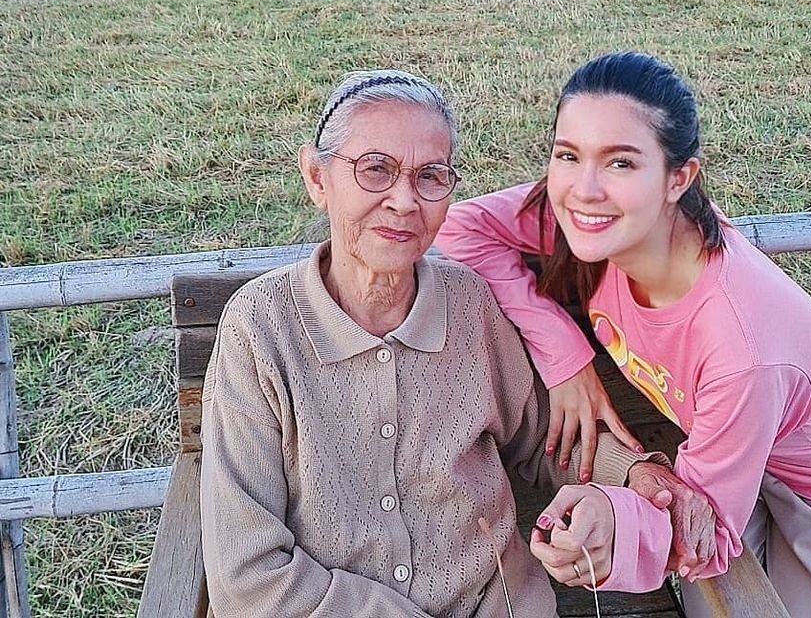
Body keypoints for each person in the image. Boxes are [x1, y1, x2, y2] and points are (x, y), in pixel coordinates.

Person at [435, 52, 811, 618]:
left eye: (621, 164)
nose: (584, 189)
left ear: (679, 178)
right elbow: (461, 226)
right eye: (568, 155)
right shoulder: (603, 227)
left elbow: (704, 535)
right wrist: (565, 357)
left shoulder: (739, 347)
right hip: (727, 450)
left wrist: (609, 526)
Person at [199, 68, 689, 618]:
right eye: (375, 170)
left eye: (431, 176)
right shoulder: (260, 329)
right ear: (317, 177)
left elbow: (543, 436)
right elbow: (246, 578)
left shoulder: (469, 304)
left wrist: (632, 472)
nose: (405, 201)